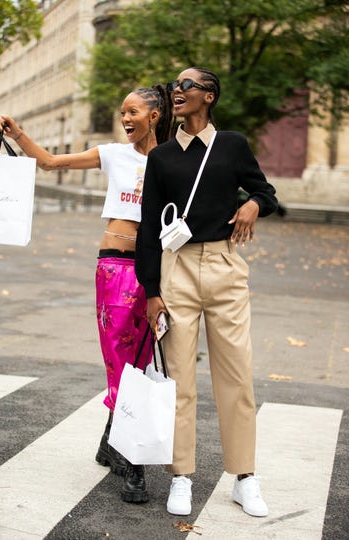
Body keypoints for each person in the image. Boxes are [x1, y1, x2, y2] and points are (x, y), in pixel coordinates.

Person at [0, 84, 172, 504]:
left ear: (155, 115)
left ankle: (114, 440)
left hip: (157, 271)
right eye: (121, 112)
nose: (125, 118)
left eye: (133, 112)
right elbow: (52, 163)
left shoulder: (171, 161)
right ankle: (131, 459)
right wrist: (18, 136)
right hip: (113, 267)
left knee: (141, 361)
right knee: (119, 360)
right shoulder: (113, 153)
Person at [135, 67, 278, 517]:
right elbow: (147, 227)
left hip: (224, 266)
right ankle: (181, 476)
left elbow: (265, 190)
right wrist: (151, 289)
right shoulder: (160, 158)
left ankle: (245, 477)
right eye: (175, 86)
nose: (177, 91)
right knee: (178, 377)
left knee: (236, 374)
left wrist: (253, 203)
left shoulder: (231, 145)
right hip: (175, 269)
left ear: (209, 96)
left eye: (187, 86)